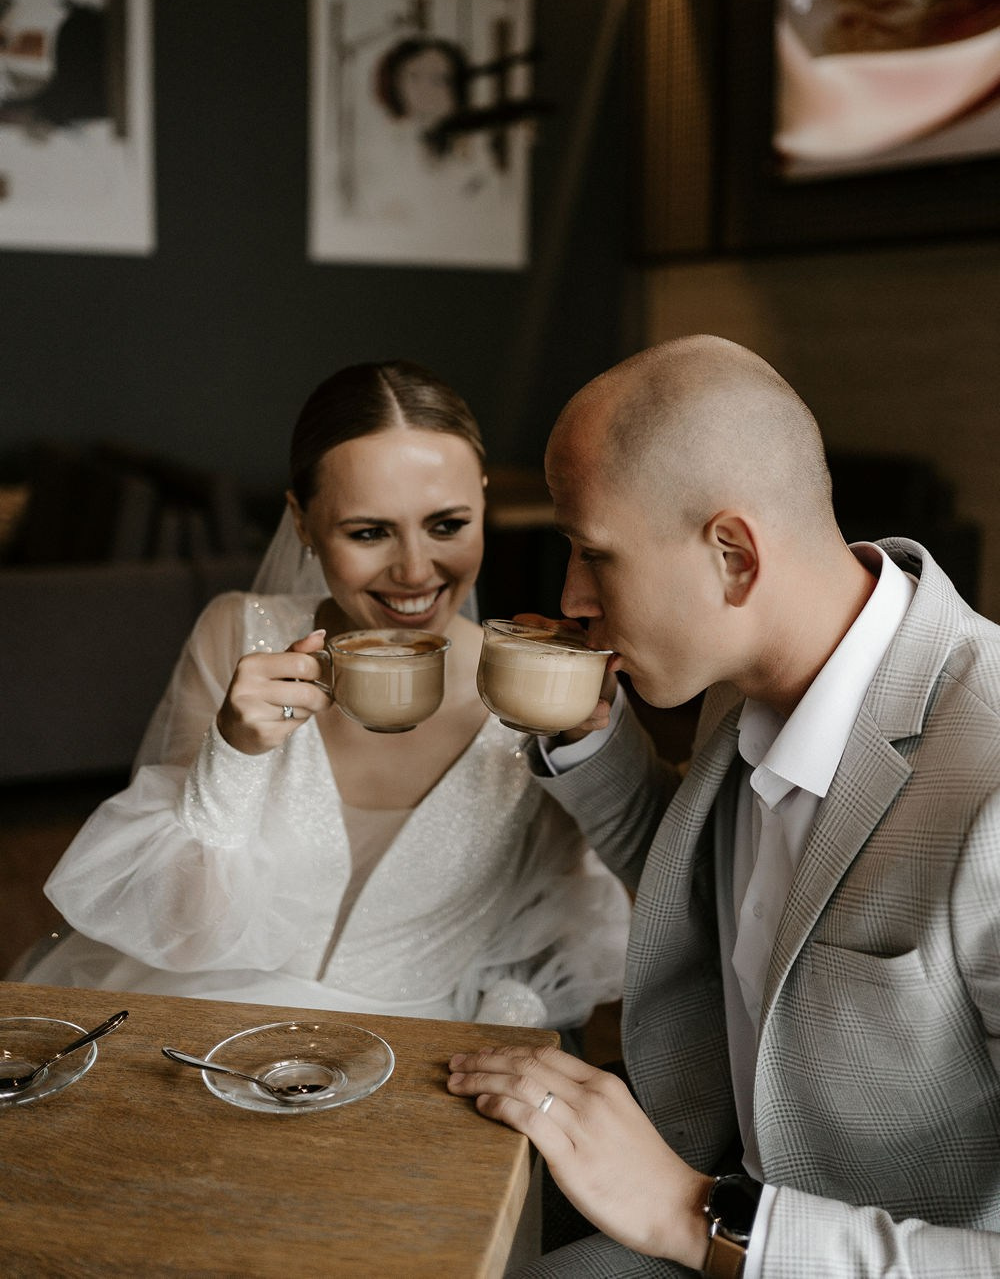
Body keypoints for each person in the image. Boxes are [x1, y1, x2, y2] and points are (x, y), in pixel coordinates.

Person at [446, 334, 1000, 1276]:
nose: (574, 598)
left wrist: (691, 1216)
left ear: (733, 556)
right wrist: (587, 734)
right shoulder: (742, 671)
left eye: (595, 556)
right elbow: (707, 888)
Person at [14, 360, 630, 1033]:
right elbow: (184, 931)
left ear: (483, 502)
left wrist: (501, 1032)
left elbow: (563, 924)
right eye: (369, 532)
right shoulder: (238, 632)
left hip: (421, 1043)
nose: (416, 570)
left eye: (447, 524)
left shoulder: (536, 687)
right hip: (211, 1019)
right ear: (302, 523)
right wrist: (233, 757)